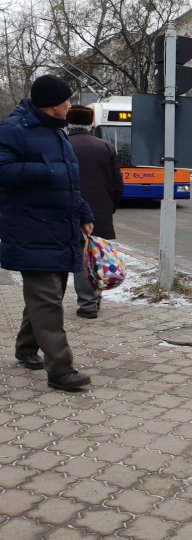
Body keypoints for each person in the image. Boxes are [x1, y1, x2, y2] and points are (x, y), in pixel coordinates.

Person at [0, 75, 94, 391]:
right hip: (30, 229)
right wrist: (46, 170)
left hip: (59, 227)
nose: (71, 105)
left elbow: (69, 181)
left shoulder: (58, 133)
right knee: (48, 301)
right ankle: (61, 371)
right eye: (67, 100)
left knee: (44, 297)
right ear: (53, 105)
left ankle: (26, 349)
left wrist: (83, 211)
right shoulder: (14, 131)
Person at [66, 105, 123, 319]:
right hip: (100, 210)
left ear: (68, 122)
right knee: (95, 256)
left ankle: (88, 304)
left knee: (80, 258)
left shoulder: (62, 145)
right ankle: (95, 298)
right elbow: (117, 183)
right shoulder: (105, 147)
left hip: (68, 210)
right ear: (90, 122)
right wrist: (110, 207)